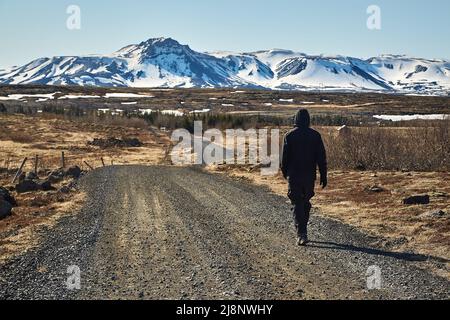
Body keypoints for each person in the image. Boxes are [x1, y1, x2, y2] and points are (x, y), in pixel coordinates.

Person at [281, 109, 327, 246]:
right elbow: (321, 157)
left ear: (295, 119)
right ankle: (303, 231)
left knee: (297, 203)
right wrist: (323, 175)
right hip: (309, 176)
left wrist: (285, 173)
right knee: (305, 201)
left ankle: (301, 233)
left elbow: (284, 159)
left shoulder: (289, 136)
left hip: (294, 175)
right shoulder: (315, 135)